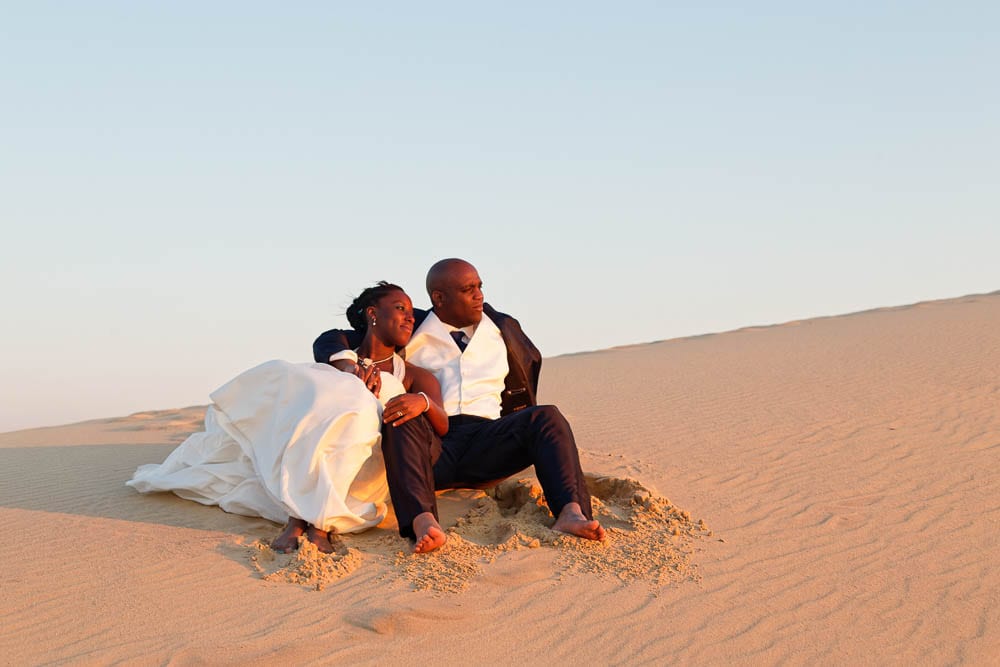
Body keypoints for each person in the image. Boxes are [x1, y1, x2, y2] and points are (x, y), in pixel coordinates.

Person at [127, 282, 448, 553]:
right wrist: (353, 370)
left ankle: (314, 519)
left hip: (372, 459)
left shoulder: (415, 376)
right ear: (373, 314)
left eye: (411, 311)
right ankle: (301, 516)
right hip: (324, 431)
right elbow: (327, 346)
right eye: (401, 308)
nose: (410, 317)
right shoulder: (340, 348)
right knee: (327, 392)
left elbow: (442, 423)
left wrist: (421, 401)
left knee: (361, 409)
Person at [313, 258, 605, 553]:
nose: (479, 295)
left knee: (547, 416)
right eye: (468, 289)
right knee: (403, 412)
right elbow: (332, 339)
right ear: (439, 298)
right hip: (432, 446)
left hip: (490, 441)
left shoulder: (504, 328)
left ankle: (571, 513)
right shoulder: (409, 325)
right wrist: (346, 363)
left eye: (479, 286)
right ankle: (423, 521)